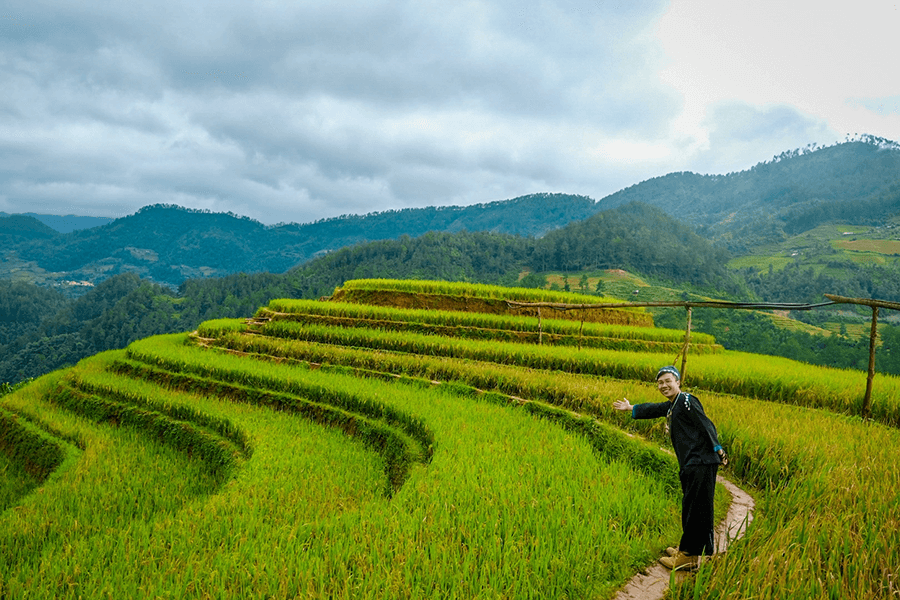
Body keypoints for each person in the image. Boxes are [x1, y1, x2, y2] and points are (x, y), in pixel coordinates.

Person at [612, 366, 727, 571]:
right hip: (694, 463)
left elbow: (705, 424)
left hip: (700, 461)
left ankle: (688, 556)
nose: (663, 385)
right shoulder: (675, 405)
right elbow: (655, 408)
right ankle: (696, 550)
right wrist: (631, 408)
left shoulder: (685, 400)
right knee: (698, 507)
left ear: (678, 382)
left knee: (694, 509)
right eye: (660, 382)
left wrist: (718, 450)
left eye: (667, 381)